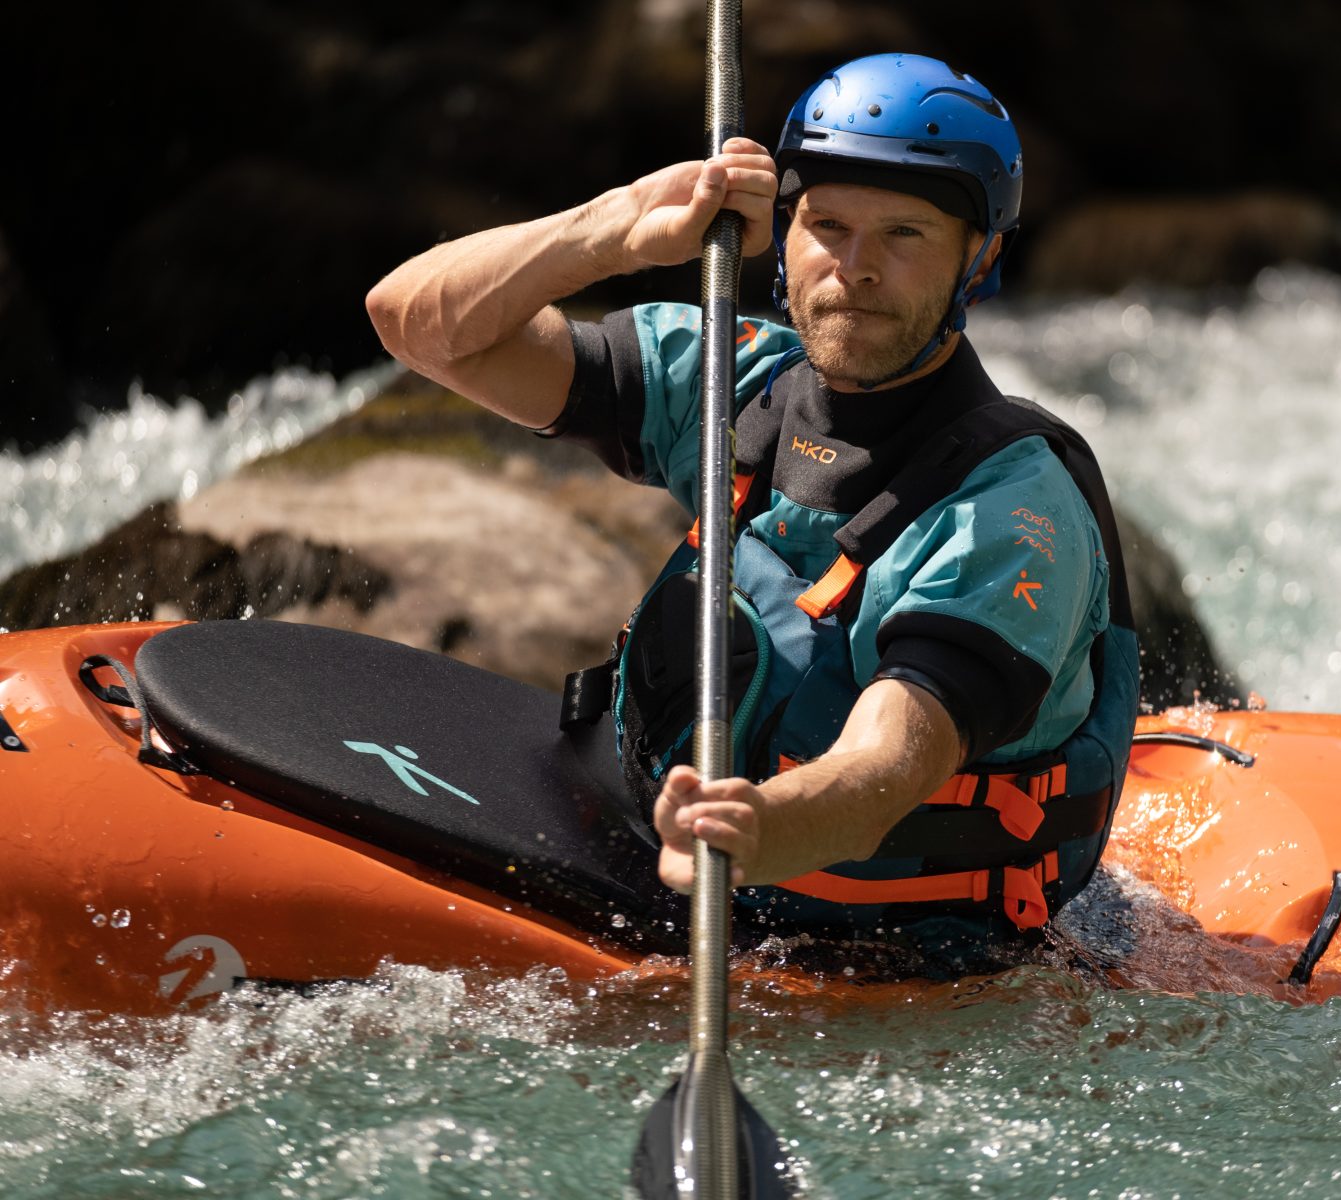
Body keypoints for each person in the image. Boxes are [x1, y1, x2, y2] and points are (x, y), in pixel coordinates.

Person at [366, 54, 1138, 955]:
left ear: (983, 257)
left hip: (883, 947)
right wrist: (614, 231)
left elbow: (886, 771)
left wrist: (751, 831)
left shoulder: (1007, 513)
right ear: (784, 231)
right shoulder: (740, 377)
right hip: (654, 841)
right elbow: (415, 324)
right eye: (828, 225)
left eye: (906, 234)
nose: (856, 268)